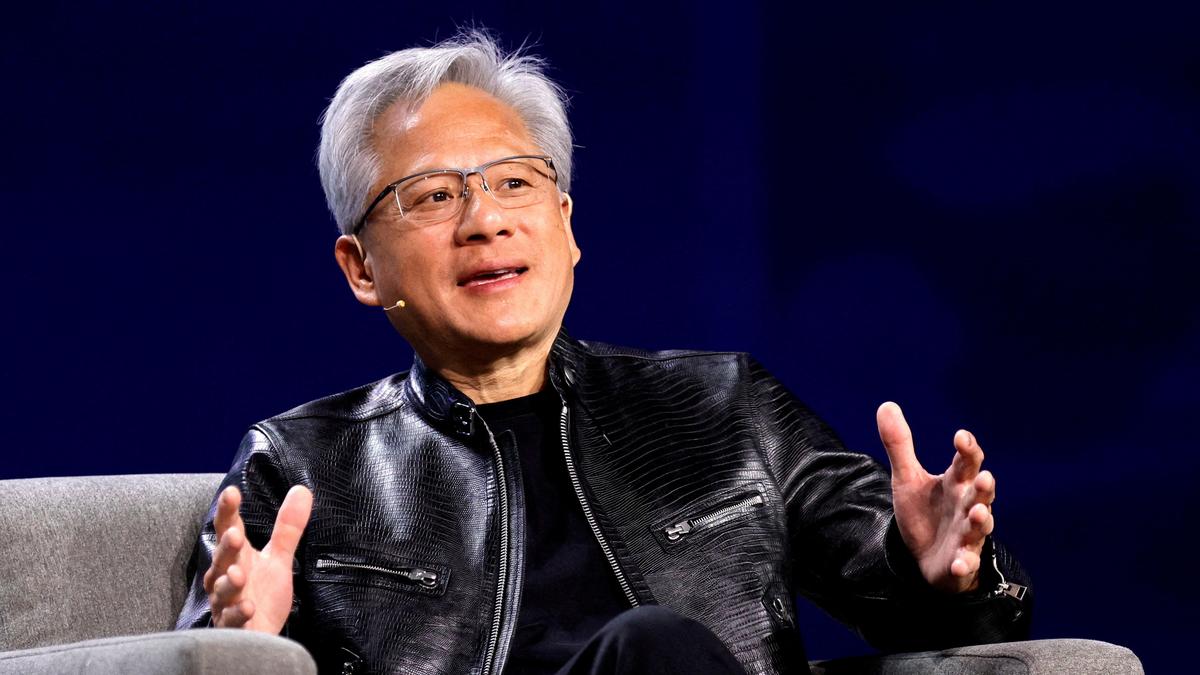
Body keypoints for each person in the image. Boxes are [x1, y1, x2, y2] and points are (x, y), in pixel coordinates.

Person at [176, 32, 1032, 675]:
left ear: (567, 226)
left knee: (652, 648)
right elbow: (196, 654)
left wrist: (942, 575)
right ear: (361, 267)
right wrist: (243, 650)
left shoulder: (722, 407)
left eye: (516, 182)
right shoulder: (301, 465)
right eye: (433, 195)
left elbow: (959, 630)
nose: (486, 220)